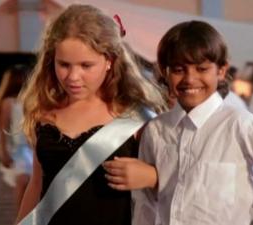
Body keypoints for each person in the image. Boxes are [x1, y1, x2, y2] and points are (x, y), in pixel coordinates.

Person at [130, 20, 253, 225]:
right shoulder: (156, 129)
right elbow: (144, 200)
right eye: (179, 69)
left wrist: (249, 211)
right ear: (165, 72)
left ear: (221, 71)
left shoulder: (241, 125)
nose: (190, 79)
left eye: (201, 69)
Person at [15, 4, 165, 225]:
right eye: (64, 64)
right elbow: (36, 184)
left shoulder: (137, 118)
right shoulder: (42, 114)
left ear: (109, 61)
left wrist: (153, 177)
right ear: (51, 60)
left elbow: (177, 184)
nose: (73, 77)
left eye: (86, 65)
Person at [0, 64, 33, 211]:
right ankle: (20, 217)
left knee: (30, 183)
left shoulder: (31, 99)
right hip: (18, 148)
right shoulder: (9, 102)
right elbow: (2, 129)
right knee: (22, 180)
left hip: (31, 146)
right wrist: (3, 151)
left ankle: (27, 216)